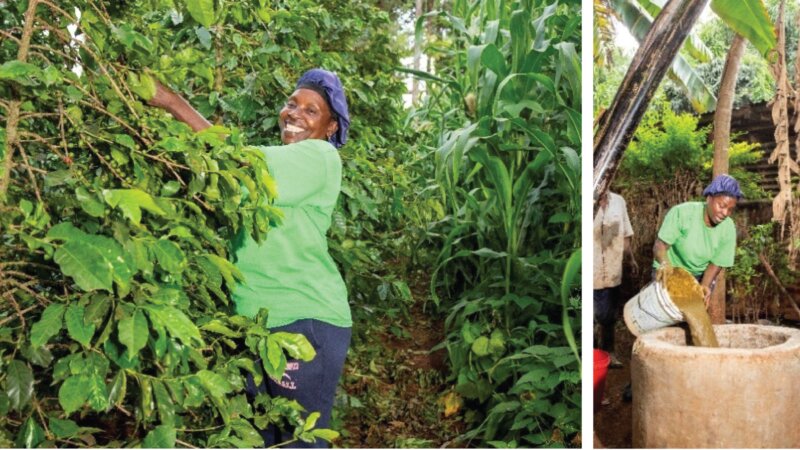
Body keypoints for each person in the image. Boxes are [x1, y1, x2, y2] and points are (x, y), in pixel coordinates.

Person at [148, 68, 351, 448]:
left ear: (330, 128)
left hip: (303, 321)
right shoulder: (279, 164)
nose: (294, 114)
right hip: (254, 323)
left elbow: (242, 163)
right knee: (262, 438)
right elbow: (221, 177)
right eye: (292, 104)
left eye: (311, 111)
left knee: (298, 441)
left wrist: (172, 103)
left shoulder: (321, 156)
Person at [653, 174, 742, 307]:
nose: (725, 213)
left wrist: (705, 285)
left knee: (694, 312)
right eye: (722, 205)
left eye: (730, 209)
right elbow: (659, 246)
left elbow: (716, 263)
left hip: (698, 275)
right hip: (669, 269)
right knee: (664, 310)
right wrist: (666, 267)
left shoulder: (728, 228)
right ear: (709, 198)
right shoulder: (682, 213)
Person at [594, 190, 637, 369]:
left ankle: (608, 353)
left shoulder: (618, 201)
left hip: (611, 271)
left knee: (609, 316)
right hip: (587, 272)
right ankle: (591, 356)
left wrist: (631, 259)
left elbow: (625, 235)